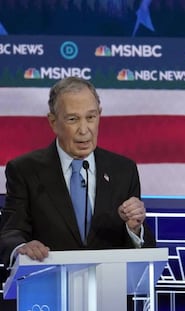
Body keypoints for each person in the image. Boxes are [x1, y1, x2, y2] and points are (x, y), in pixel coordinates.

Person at [0, 77, 156, 307]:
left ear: (99, 115)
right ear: (53, 122)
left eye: (91, 117)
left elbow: (142, 254)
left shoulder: (123, 170)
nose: (84, 130)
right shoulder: (24, 170)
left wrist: (134, 228)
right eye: (73, 119)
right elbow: (11, 230)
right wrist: (21, 249)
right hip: (46, 297)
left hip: (107, 299)